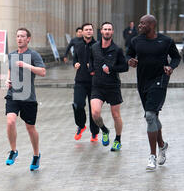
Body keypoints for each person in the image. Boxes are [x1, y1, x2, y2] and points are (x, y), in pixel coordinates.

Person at [126, 15, 181, 171]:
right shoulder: (136, 41)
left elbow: (176, 58)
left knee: (150, 116)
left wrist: (171, 67)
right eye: (140, 22)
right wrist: (130, 60)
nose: (140, 25)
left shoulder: (166, 41)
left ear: (152, 25)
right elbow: (128, 54)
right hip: (143, 81)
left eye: (143, 23)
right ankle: (162, 145)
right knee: (153, 117)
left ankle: (152, 156)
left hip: (160, 80)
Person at [4, 27, 46, 171]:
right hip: (13, 94)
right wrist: (7, 79)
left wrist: (26, 65)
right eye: (18, 36)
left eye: (23, 36)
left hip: (28, 96)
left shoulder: (33, 55)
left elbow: (43, 72)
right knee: (10, 121)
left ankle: (36, 155)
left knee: (30, 128)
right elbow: (10, 69)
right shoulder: (12, 55)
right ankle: (13, 151)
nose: (19, 38)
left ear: (28, 39)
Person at [88, 22, 129, 151]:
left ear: (112, 32)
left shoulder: (117, 49)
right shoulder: (94, 47)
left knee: (115, 115)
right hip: (97, 86)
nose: (107, 31)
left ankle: (118, 140)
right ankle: (104, 130)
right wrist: (91, 70)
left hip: (112, 86)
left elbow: (125, 67)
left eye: (109, 29)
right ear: (101, 31)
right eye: (105, 29)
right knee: (95, 113)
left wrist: (111, 69)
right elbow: (90, 60)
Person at [72, 23, 100, 142]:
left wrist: (93, 66)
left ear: (92, 32)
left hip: (94, 82)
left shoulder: (98, 45)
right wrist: (75, 64)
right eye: (86, 30)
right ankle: (81, 125)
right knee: (77, 104)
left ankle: (94, 133)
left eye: (90, 29)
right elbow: (74, 59)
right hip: (80, 81)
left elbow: (101, 61)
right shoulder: (77, 45)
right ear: (82, 32)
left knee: (93, 110)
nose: (88, 31)